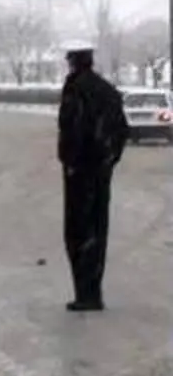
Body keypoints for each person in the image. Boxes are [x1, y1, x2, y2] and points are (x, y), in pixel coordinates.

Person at [57, 44, 129, 312]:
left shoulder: (76, 89)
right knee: (98, 229)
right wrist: (109, 159)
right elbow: (122, 130)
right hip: (100, 171)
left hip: (80, 172)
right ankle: (93, 291)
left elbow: (73, 128)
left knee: (78, 231)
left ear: (74, 62)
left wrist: (73, 161)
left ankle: (85, 294)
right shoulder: (107, 90)